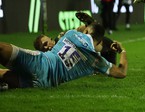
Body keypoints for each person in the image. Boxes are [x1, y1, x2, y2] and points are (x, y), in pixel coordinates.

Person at [0, 22, 128, 90]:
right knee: (2, 74)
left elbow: (83, 31)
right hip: (44, 83)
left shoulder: (71, 33)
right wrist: (122, 51)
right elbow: (121, 72)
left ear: (87, 31)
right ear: (100, 40)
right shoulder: (96, 60)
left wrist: (89, 24)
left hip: (40, 63)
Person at [33, 12, 118, 64]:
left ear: (49, 38)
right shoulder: (51, 58)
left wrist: (87, 27)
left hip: (105, 51)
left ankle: (91, 26)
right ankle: (92, 26)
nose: (46, 47)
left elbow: (78, 30)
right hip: (94, 55)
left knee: (87, 41)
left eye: (45, 43)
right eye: (43, 48)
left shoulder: (61, 38)